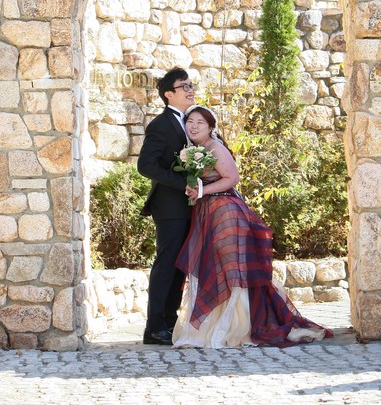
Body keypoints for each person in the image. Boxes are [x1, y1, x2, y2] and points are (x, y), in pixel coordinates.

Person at [173, 105, 331, 348]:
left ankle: (239, 326)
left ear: (211, 128)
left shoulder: (216, 148)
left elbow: (232, 178)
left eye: (200, 123)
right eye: (190, 121)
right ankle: (213, 326)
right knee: (215, 267)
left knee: (232, 268)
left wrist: (203, 190)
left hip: (226, 212)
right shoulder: (196, 150)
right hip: (208, 212)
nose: (193, 126)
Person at [136, 67, 195, 346]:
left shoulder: (190, 122)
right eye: (184, 86)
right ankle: (154, 327)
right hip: (169, 207)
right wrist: (182, 183)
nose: (190, 89)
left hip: (188, 207)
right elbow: (145, 165)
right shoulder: (160, 124)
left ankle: (169, 325)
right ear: (168, 94)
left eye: (191, 85)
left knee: (180, 267)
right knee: (166, 266)